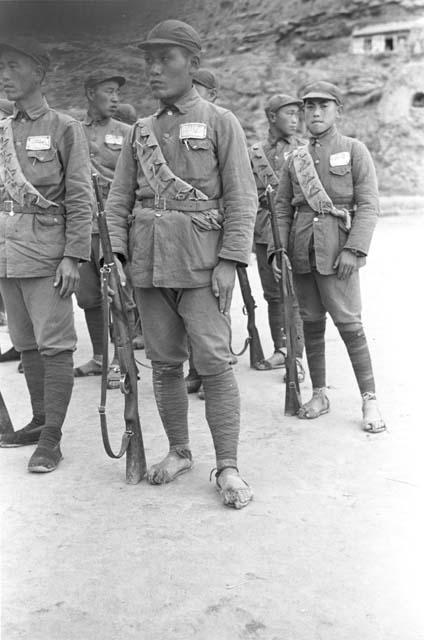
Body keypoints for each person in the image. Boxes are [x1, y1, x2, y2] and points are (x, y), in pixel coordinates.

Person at [106, 20, 258, 508]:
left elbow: (242, 197)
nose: (154, 69)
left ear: (193, 65)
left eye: (165, 59)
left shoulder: (220, 121)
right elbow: (118, 200)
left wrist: (232, 260)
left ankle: (228, 466)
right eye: (149, 60)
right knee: (165, 364)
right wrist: (117, 257)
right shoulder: (141, 132)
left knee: (213, 365)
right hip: (148, 266)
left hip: (201, 263)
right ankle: (178, 451)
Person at [270, 81, 386, 433]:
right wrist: (280, 251)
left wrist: (355, 249)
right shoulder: (295, 159)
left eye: (323, 106)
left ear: (338, 110)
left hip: (339, 252)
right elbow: (283, 209)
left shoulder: (354, 150)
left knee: (350, 325)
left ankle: (370, 400)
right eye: (309, 107)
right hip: (302, 250)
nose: (315, 113)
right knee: (311, 324)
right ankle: (319, 394)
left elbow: (368, 206)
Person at [0, 37, 93, 469]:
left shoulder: (63, 127)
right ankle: (38, 421)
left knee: (55, 346)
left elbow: (79, 196)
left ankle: (52, 438)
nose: (4, 74)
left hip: (48, 255)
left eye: (13, 65)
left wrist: (74, 255)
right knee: (26, 344)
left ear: (38, 72)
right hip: (7, 255)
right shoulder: (3, 128)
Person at [73, 70, 143, 388]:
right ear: (90, 93)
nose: (115, 99)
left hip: (112, 226)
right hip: (81, 226)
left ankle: (123, 359)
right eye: (109, 92)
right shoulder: (72, 132)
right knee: (88, 297)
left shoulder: (129, 133)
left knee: (118, 294)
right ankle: (101, 357)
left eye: (118, 93)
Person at [250, 94, 305, 376]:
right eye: (289, 114)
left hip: (293, 228)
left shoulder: (304, 150)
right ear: (272, 117)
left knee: (293, 294)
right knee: (272, 294)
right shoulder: (255, 153)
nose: (296, 119)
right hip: (262, 230)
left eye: (298, 114)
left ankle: (296, 356)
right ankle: (280, 349)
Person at [184, 67, 219, 398]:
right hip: (184, 234)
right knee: (189, 314)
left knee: (211, 314)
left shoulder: (220, 123)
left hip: (210, 231)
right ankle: (195, 370)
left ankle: (211, 374)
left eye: (199, 89)